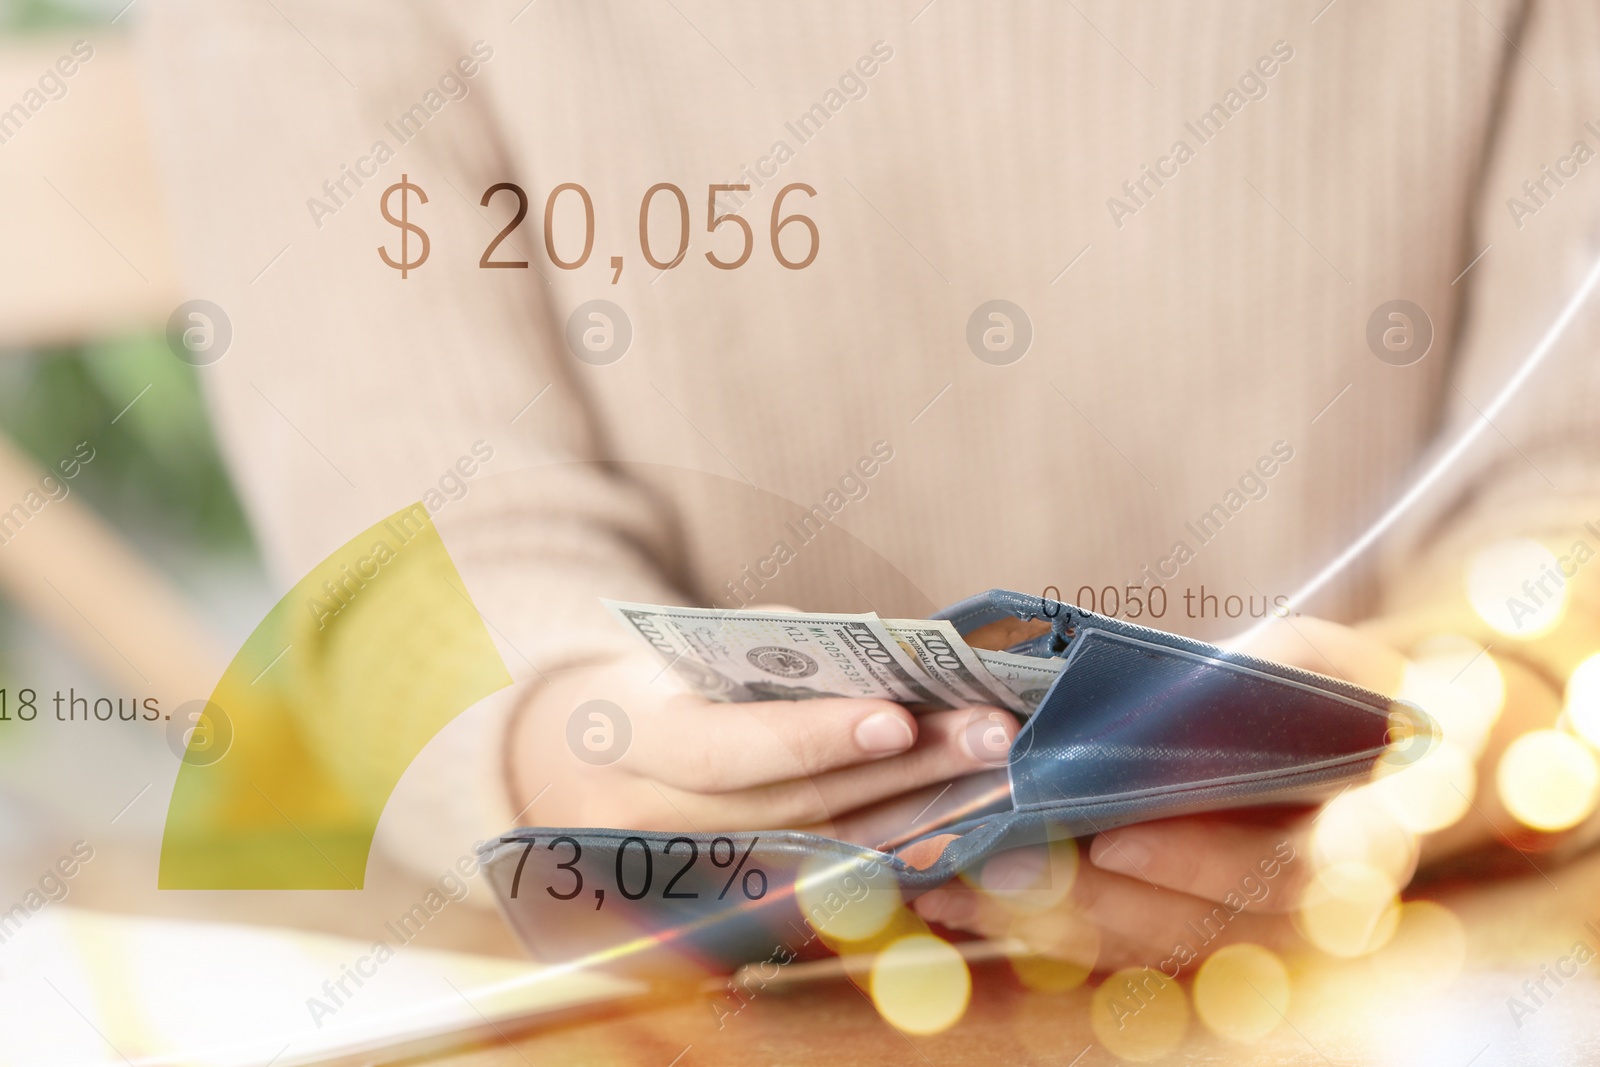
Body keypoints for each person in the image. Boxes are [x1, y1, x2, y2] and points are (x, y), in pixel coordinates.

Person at [138, 0, 1600, 971]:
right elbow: (413, 577)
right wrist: (592, 755)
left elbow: (1571, 501)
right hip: (670, 999)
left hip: (1413, 951)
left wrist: (1447, 743)